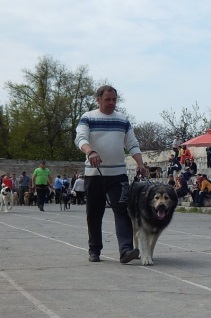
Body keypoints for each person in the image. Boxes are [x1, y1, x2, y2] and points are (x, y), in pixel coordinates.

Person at [75, 85, 146, 264]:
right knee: (94, 213)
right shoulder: (88, 117)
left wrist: (140, 163)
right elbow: (80, 138)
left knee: (122, 210)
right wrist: (90, 151)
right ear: (98, 100)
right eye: (107, 99)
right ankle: (94, 250)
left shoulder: (122, 120)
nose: (111, 103)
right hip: (94, 174)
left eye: (114, 99)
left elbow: (132, 143)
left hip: (118, 174)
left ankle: (126, 251)